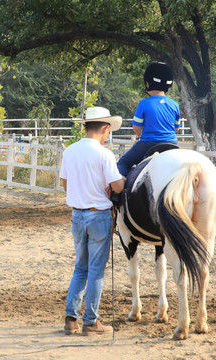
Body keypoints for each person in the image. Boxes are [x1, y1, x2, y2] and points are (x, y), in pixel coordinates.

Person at [60, 106, 126, 336]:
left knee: (80, 268)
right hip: (98, 215)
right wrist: (121, 181)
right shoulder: (104, 154)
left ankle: (71, 318)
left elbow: (65, 184)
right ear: (105, 128)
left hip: (77, 214)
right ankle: (90, 321)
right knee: (96, 271)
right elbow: (117, 186)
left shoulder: (70, 151)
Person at [116, 62, 180, 176]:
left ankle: (118, 192)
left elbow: (136, 128)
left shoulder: (144, 103)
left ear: (147, 83)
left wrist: (145, 135)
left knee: (123, 163)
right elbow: (177, 129)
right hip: (172, 143)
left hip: (148, 144)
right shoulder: (174, 105)